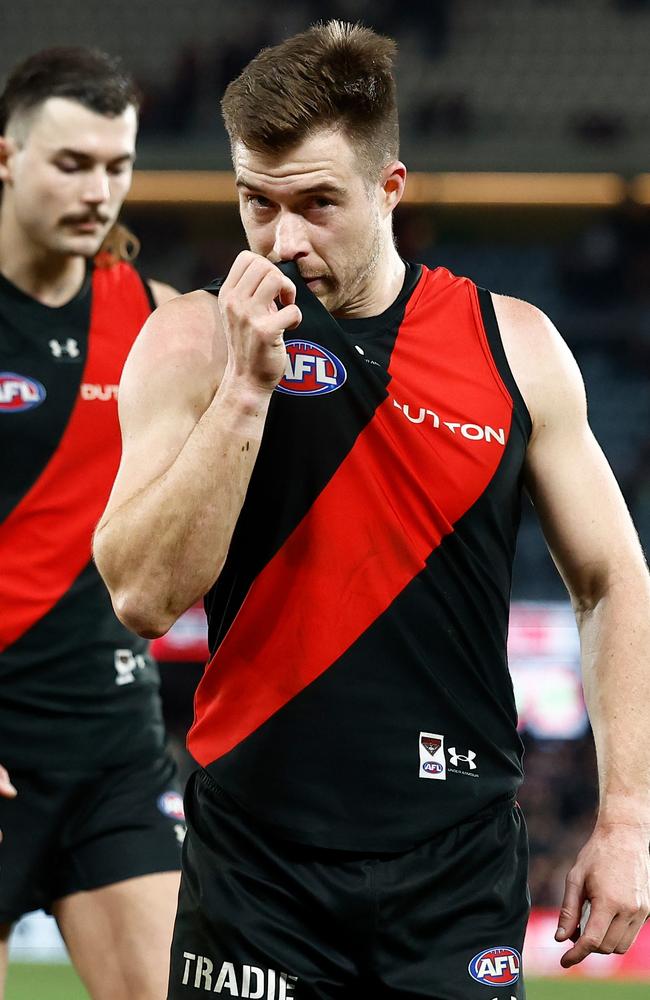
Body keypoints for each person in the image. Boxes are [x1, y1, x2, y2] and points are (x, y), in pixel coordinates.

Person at [94, 21, 650, 1000]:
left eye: (317, 203)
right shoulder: (188, 344)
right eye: (254, 204)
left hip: (456, 866)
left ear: (389, 188)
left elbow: (612, 578)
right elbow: (141, 594)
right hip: (255, 869)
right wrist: (242, 395)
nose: (281, 240)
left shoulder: (511, 346)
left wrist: (626, 819)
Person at [0, 47, 185, 1000]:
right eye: (72, 164)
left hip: (112, 748)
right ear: (7, 157)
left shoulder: (153, 320)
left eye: (117, 166)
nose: (99, 190)